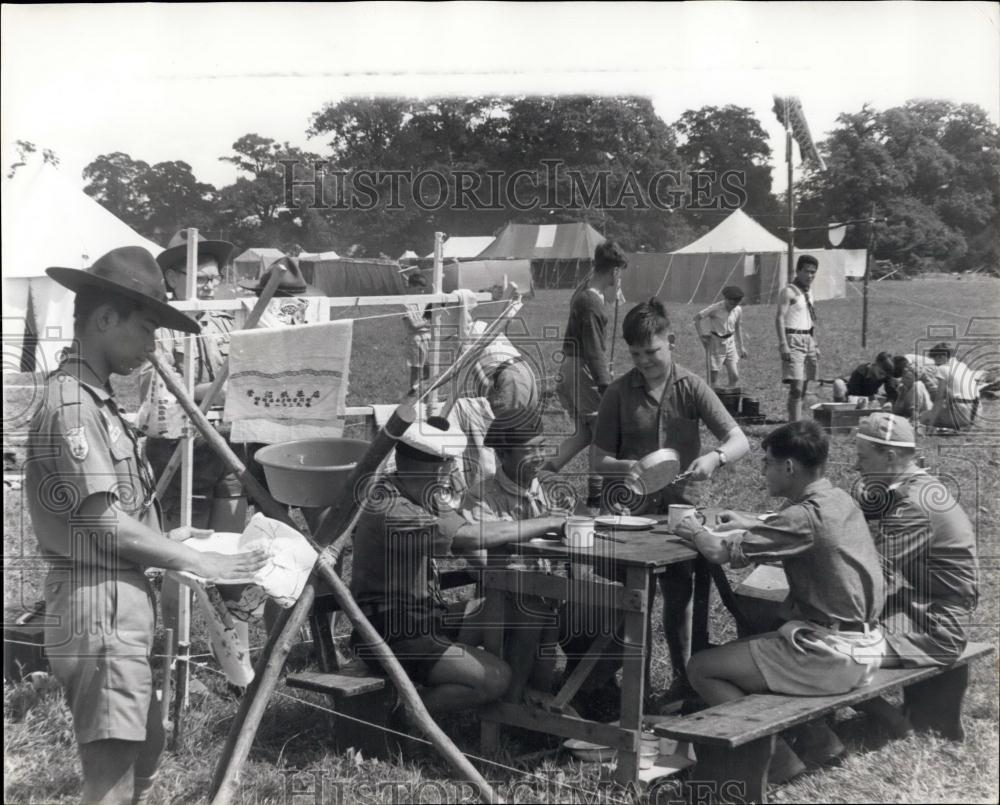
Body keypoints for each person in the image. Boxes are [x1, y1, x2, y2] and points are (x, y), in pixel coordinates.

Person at [26, 246, 268, 805]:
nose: (153, 345)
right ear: (105, 319)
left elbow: (112, 512)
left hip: (118, 600)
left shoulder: (97, 402)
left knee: (143, 757)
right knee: (111, 780)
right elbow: (101, 523)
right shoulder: (73, 407)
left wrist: (170, 540)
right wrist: (201, 562)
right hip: (98, 604)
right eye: (146, 328)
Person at [675, 420, 886, 781]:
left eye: (767, 463)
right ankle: (821, 742)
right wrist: (749, 521)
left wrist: (694, 530)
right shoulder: (839, 500)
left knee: (702, 667)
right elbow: (792, 525)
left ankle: (777, 759)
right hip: (869, 645)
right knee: (757, 642)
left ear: (789, 467)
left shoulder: (803, 518)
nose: (763, 471)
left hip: (834, 655)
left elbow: (718, 552)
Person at [349, 416, 566, 717]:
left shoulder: (419, 494)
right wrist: (550, 522)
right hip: (390, 631)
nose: (452, 471)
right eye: (449, 464)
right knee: (495, 678)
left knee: (527, 610)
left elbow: (469, 533)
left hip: (425, 616)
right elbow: (471, 536)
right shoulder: (391, 508)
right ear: (440, 469)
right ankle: (404, 717)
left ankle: (519, 706)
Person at [592, 298, 750, 698]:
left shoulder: (691, 386)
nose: (644, 361)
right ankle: (635, 690)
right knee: (634, 602)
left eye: (652, 351)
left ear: (673, 341)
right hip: (630, 515)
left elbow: (739, 439)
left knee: (680, 599)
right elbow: (597, 458)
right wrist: (626, 467)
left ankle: (684, 682)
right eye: (636, 354)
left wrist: (714, 458)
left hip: (681, 511)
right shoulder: (618, 393)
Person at [852, 413, 979, 736]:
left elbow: (872, 577)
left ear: (889, 456)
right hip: (922, 607)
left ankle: (893, 721)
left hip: (938, 625)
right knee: (825, 637)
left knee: (830, 652)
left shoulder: (913, 506)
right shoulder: (916, 487)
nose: (856, 467)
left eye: (863, 458)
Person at [137, 229, 242, 531]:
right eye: (201, 279)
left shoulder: (226, 322)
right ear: (172, 278)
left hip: (229, 443)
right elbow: (153, 389)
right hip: (179, 447)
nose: (210, 286)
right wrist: (213, 391)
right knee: (187, 539)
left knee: (229, 535)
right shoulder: (158, 326)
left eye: (215, 278)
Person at [547, 241, 629, 511]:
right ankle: (597, 494)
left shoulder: (584, 293)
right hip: (583, 369)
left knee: (584, 433)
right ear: (614, 271)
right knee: (601, 432)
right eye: (619, 274)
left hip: (570, 368)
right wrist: (606, 386)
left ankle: (542, 473)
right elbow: (594, 350)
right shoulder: (592, 303)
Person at [776, 254, 820, 422]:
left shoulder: (808, 292)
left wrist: (815, 344)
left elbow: (810, 320)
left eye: (813, 272)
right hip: (793, 339)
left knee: (805, 384)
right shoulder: (788, 291)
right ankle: (795, 424)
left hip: (808, 339)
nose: (810, 275)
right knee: (797, 386)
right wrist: (783, 344)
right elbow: (779, 318)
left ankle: (795, 419)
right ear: (798, 271)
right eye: (807, 271)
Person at [693, 285, 748, 388]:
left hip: (730, 343)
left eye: (736, 304)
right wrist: (702, 337)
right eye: (731, 303)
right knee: (713, 378)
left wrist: (741, 346)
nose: (733, 307)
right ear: (726, 299)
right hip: (716, 343)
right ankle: (713, 395)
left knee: (735, 377)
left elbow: (737, 327)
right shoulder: (715, 308)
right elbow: (696, 318)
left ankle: (729, 395)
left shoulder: (738, 310)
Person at [919, 342, 980, 431]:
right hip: (976, 413)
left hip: (961, 415)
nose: (935, 363)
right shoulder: (962, 365)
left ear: (942, 356)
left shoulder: (943, 368)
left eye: (935, 359)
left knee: (924, 416)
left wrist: (930, 422)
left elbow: (939, 399)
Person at [401, 272, 433, 397]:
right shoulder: (405, 304)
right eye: (419, 289)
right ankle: (413, 394)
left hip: (428, 337)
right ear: (411, 287)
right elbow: (414, 325)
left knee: (428, 368)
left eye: (423, 290)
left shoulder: (426, 302)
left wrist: (425, 322)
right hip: (415, 339)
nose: (422, 292)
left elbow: (433, 322)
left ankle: (424, 393)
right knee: (416, 368)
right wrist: (427, 321)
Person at [889, 355, 932, 419]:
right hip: (907, 416)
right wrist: (901, 395)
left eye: (906, 376)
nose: (904, 379)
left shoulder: (918, 385)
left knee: (917, 385)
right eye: (903, 377)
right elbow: (896, 411)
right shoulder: (902, 388)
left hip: (923, 415)